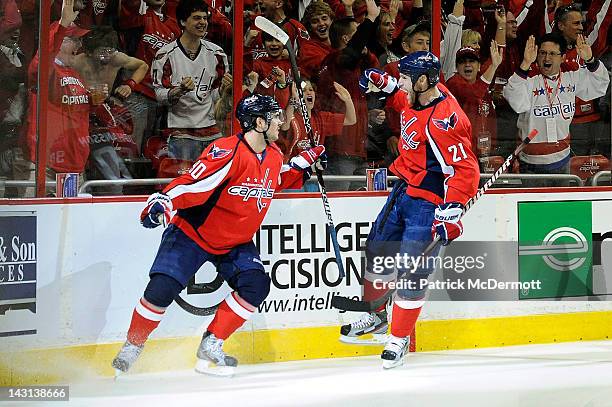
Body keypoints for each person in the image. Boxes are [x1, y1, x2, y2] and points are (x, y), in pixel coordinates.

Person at [111, 93, 327, 376]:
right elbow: (193, 183)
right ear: (259, 123)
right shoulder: (226, 151)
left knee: (256, 285)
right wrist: (164, 201)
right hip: (193, 233)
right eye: (275, 117)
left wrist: (303, 167)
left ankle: (212, 342)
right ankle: (133, 345)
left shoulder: (274, 155)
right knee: (160, 290)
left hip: (234, 242)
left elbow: (274, 179)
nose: (281, 122)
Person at [340, 51, 479, 369]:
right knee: (377, 250)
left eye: (404, 78)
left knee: (412, 270)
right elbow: (402, 98)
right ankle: (375, 318)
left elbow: (464, 168)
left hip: (429, 201)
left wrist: (453, 210)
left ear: (421, 81)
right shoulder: (418, 93)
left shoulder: (446, 119)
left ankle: (398, 338)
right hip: (403, 188)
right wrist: (383, 83)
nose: (399, 82)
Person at [503, 33, 609, 185]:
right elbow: (515, 101)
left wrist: (590, 60)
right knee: (533, 209)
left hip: (561, 161)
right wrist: (525, 63)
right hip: (532, 163)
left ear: (563, 57)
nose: (547, 58)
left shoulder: (571, 76)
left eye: (552, 54)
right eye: (543, 53)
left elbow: (600, 85)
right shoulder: (528, 78)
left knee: (560, 208)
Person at [21, 0, 91, 197]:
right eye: (75, 40)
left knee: (73, 224)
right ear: (60, 42)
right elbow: (43, 58)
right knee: (38, 221)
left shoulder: (75, 74)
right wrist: (61, 26)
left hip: (75, 164)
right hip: (47, 166)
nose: (79, 46)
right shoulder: (45, 71)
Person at [151, 0, 231, 162]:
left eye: (204, 18)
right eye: (196, 18)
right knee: (186, 183)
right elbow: (158, 94)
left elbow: (214, 95)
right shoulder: (165, 54)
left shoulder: (217, 53)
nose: (202, 22)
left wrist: (224, 89)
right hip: (180, 131)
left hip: (211, 129)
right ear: (182, 22)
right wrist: (179, 90)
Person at [446, 43, 503, 171]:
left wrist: (493, 149)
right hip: (460, 155)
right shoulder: (454, 83)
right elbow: (473, 93)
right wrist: (493, 66)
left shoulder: (484, 91)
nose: (467, 65)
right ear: (456, 67)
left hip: (483, 153)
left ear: (478, 67)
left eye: (472, 61)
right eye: (462, 62)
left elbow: (491, 121)